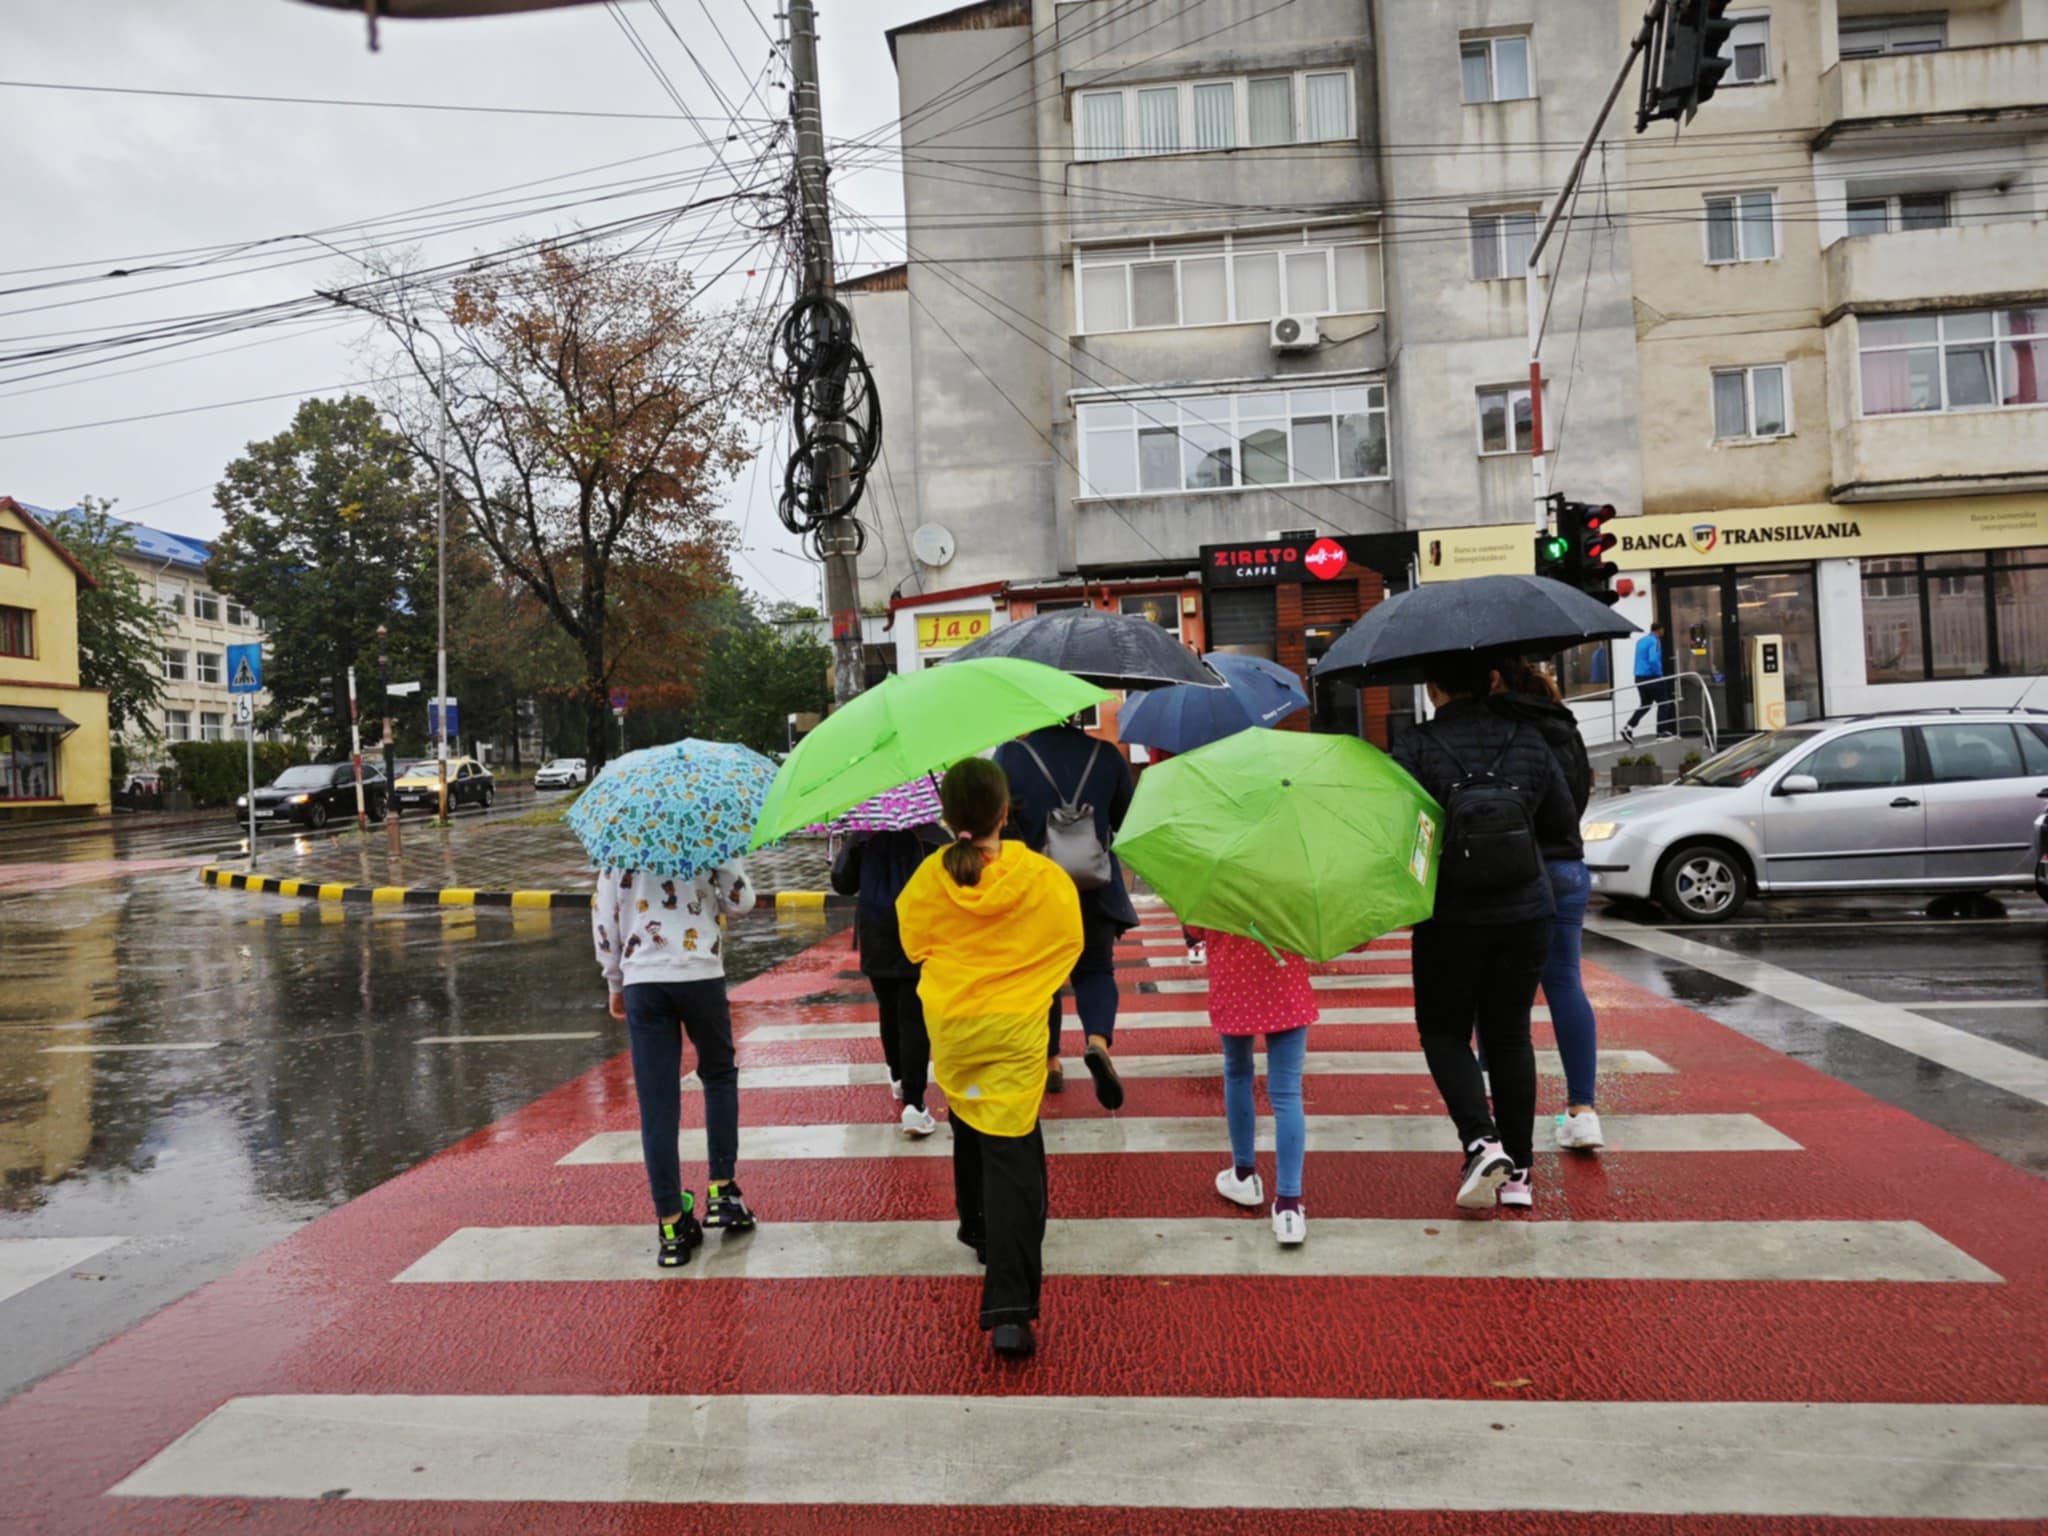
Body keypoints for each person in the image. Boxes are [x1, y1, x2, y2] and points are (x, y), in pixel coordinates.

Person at [898, 757, 1083, 1359]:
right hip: (1015, 1031)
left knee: (969, 1119)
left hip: (953, 1028)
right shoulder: (1037, 874)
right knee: (1013, 1152)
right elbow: (1068, 941)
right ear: (1005, 812)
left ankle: (976, 1227)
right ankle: (1009, 1310)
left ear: (949, 817)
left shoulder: (930, 877)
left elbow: (913, 943)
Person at [1393, 652, 1578, 1212]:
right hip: (1525, 913)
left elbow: (1400, 836)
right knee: (1510, 1035)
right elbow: (1563, 830)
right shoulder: (1529, 740)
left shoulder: (1417, 747)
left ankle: (1481, 1140)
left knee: (1445, 1032)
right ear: (1493, 681)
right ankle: (1519, 1174)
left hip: (1448, 917)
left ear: (1433, 686)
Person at [593, 858, 757, 1268]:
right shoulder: (705, 833)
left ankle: (671, 1224)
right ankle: (722, 1192)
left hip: (643, 982)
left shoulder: (617, 846)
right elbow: (742, 901)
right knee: (718, 1075)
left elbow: (604, 922)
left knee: (657, 1101)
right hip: (700, 973)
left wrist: (615, 981)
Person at [994, 720, 1137, 1109]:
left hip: (1036, 888)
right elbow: (1126, 820)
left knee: (1044, 977)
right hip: (1096, 886)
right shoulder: (1106, 755)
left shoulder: (1011, 755)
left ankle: (1051, 1061)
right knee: (1096, 970)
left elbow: (999, 821)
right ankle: (1096, 1042)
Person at [1491, 659, 1603, 1151]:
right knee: (1565, 982)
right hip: (1567, 866)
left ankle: (1493, 1104)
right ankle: (1583, 1111)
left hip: (1515, 868)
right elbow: (1575, 796)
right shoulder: (1566, 727)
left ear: (1496, 681)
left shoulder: (1506, 729)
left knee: (1491, 986)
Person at [1199, 927, 1318, 1245]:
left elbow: (1194, 926)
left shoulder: (1217, 878)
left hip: (1234, 984)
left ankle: (1244, 1175)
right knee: (1287, 1091)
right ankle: (1289, 1208)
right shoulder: (1293, 877)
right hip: (1286, 982)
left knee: (1237, 1073)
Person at [831, 817, 948, 1137]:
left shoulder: (864, 833)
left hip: (875, 935)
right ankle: (915, 1103)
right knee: (913, 1016)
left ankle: (898, 1076)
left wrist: (849, 846)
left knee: (888, 1008)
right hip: (917, 934)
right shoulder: (931, 835)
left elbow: (842, 883)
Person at [1622, 622, 1673, 742]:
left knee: (1645, 704)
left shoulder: (1641, 641)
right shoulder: (1655, 641)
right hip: (1652, 678)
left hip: (1639, 678)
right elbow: (1653, 659)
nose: (1663, 633)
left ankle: (1628, 727)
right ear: (1660, 630)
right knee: (1664, 703)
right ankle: (1661, 733)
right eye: (1663, 630)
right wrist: (1660, 675)